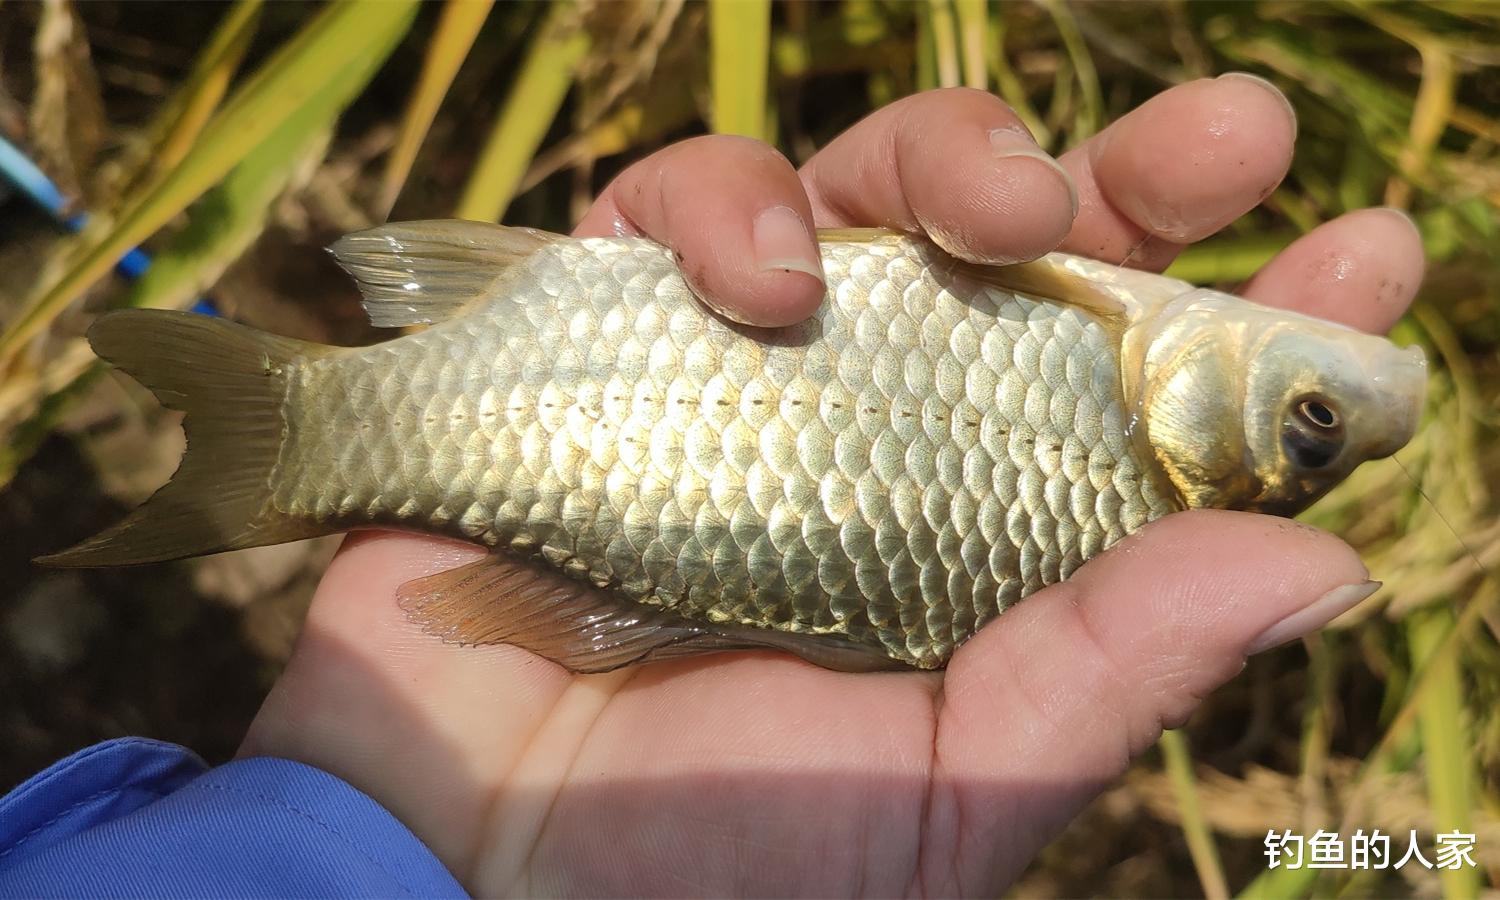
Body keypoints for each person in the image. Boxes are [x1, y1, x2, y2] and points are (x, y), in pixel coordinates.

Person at [0, 77, 1424, 897]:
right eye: (1312, 418)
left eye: (1306, 426)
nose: (1322, 407)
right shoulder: (1102, 380)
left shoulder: (1118, 420)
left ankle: (296, 438)